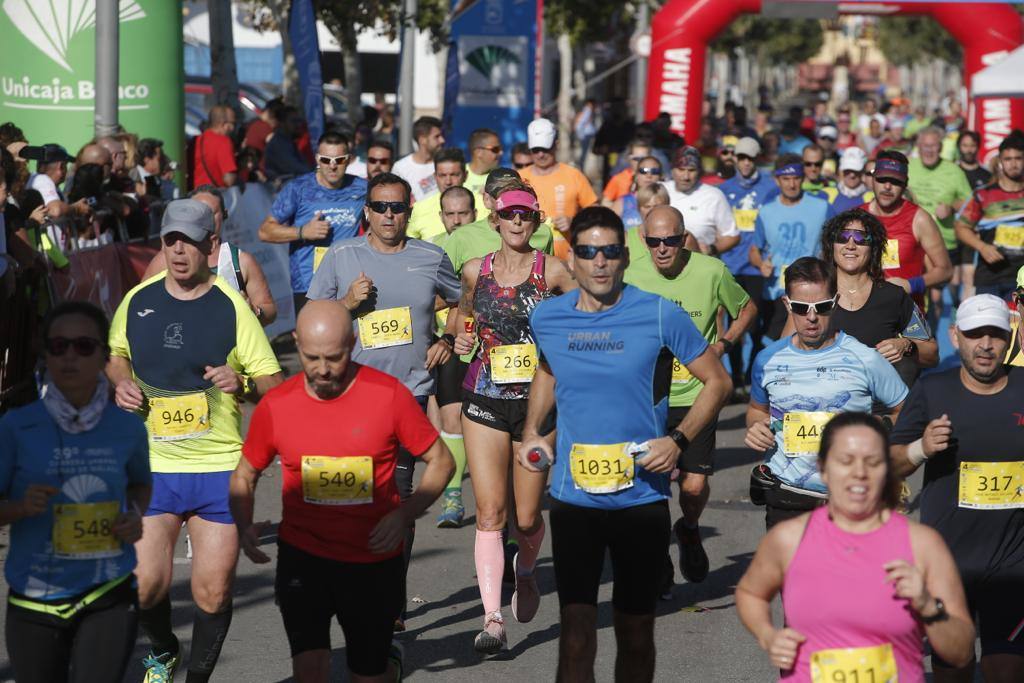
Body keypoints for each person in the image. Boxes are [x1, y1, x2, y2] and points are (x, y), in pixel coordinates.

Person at [519, 206, 732, 681]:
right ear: (571, 257)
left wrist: (677, 440)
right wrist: (533, 428)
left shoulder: (658, 313)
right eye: (589, 252)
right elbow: (548, 369)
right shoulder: (550, 318)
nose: (600, 262)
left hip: (641, 499)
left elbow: (716, 382)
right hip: (575, 499)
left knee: (635, 632)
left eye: (610, 252)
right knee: (575, 632)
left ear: (623, 256)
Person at [107, 199, 284, 682]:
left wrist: (241, 381)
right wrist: (120, 379)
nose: (179, 250)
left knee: (212, 593)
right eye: (170, 240)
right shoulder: (138, 299)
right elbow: (115, 352)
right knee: (145, 586)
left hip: (218, 467)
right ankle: (163, 651)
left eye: (189, 240)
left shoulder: (232, 306)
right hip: (154, 466)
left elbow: (273, 384)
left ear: (211, 245)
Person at [231, 300, 453, 683]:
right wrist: (244, 524)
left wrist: (405, 513)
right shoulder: (277, 405)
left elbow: (442, 461)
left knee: (366, 673)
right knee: (310, 669)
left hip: (371, 561)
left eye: (333, 358)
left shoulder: (388, 395)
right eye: (311, 357)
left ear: (352, 343)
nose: (321, 370)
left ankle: (387, 665)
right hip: (303, 557)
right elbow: (244, 475)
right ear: (296, 343)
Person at [306, 172, 461, 631]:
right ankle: (349, 584)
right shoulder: (341, 255)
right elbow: (311, 319)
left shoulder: (430, 256)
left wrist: (450, 336)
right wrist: (348, 305)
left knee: (397, 497)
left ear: (409, 212)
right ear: (366, 212)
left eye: (398, 208)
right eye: (380, 207)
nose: (389, 215)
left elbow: (462, 298)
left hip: (408, 395)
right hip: (349, 396)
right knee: (348, 497)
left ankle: (391, 598)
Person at [737, 412, 975, 681]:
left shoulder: (921, 544)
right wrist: (768, 635)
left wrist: (929, 606)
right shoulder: (789, 539)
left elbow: (961, 652)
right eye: (845, 461)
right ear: (823, 468)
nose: (859, 473)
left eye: (872, 462)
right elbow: (750, 594)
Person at [451, 183, 576, 653]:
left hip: (537, 407)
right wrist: (460, 340)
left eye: (526, 215)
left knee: (524, 519)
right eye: (510, 215)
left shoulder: (555, 272)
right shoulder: (473, 271)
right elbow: (462, 317)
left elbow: (585, 317)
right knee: (489, 512)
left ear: (537, 220)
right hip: (483, 397)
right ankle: (492, 618)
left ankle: (525, 571)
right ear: (495, 221)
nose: (518, 222)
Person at [0, 302, 152, 683]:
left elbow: (140, 484)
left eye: (84, 346)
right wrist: (19, 508)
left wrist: (134, 514)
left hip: (107, 592)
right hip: (34, 597)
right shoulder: (16, 426)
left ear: (103, 354)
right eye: (58, 346)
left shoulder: (127, 428)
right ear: (45, 355)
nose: (70, 356)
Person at [891, 294, 1024, 683]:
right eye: (974, 334)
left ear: (1010, 337)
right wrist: (921, 448)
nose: (985, 345)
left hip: (1014, 565)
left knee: (1007, 669)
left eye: (996, 335)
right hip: (948, 563)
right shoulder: (934, 391)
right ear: (955, 335)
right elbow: (891, 464)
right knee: (956, 666)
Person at [625, 205, 757, 594]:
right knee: (651, 487)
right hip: (648, 396)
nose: (662, 249)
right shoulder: (631, 276)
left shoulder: (710, 270)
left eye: (671, 240)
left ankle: (690, 528)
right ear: (643, 240)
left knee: (694, 486)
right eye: (654, 242)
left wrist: (724, 344)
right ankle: (659, 557)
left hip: (698, 392)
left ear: (684, 237)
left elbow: (746, 307)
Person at [744, 257, 907, 528]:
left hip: (851, 497)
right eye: (800, 307)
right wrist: (755, 427)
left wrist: (883, 426)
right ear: (787, 304)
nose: (811, 317)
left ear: (836, 302)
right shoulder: (767, 359)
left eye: (821, 307)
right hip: (786, 494)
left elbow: (908, 412)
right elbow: (755, 410)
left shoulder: (865, 358)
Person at [819, 209, 937, 387]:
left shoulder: (894, 296)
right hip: (825, 403)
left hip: (880, 409)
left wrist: (906, 345)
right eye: (842, 237)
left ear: (874, 248)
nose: (850, 245)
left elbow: (932, 353)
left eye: (861, 239)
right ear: (831, 245)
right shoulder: (814, 294)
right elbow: (786, 351)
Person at [258, 131, 367, 316]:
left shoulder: (362, 187)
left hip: (347, 279)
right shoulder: (298, 189)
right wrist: (302, 232)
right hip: (308, 282)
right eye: (326, 160)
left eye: (339, 160)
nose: (332, 166)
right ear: (317, 159)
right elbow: (265, 231)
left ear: (348, 160)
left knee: (347, 340)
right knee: (312, 340)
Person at [144, 185, 277, 326]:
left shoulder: (240, 261)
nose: (203, 220)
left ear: (224, 215)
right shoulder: (166, 259)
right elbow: (140, 303)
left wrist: (254, 312)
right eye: (196, 214)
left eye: (210, 213)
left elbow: (269, 309)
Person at [430, 186, 479, 528]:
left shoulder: (485, 246)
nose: (457, 220)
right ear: (442, 216)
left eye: (464, 213)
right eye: (451, 214)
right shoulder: (432, 247)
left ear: (474, 214)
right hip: (441, 340)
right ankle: (452, 498)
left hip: (480, 344)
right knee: (449, 420)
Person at [719, 137, 779, 396]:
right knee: (734, 325)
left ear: (757, 160)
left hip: (756, 267)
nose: (745, 163)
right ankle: (737, 379)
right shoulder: (723, 189)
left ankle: (751, 374)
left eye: (750, 159)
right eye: (741, 158)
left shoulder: (770, 187)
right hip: (729, 266)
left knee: (754, 326)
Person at [749, 155, 831, 340]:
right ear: (777, 180)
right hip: (776, 291)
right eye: (786, 179)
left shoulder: (822, 208)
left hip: (810, 292)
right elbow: (754, 249)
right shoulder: (766, 212)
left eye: (796, 178)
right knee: (771, 344)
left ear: (803, 178)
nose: (792, 184)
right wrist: (761, 264)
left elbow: (836, 242)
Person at [862, 150, 953, 311]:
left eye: (895, 181)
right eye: (882, 179)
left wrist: (910, 285)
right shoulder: (857, 217)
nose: (888, 186)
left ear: (905, 184)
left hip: (906, 314)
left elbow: (945, 270)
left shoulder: (920, 219)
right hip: (864, 311)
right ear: (873, 180)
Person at [444, 169, 555, 275]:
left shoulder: (544, 233)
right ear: (486, 199)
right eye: (501, 195)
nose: (508, 201)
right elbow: (441, 285)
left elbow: (549, 279)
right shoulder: (461, 237)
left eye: (515, 195)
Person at [955, 131, 1024, 301]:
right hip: (990, 278)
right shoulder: (983, 195)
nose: (1013, 164)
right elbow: (961, 227)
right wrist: (982, 247)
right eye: (1008, 159)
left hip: (1022, 279)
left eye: (1018, 158)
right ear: (1000, 162)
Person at [519, 118, 598, 259]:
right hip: (528, 262)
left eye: (545, 149)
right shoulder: (519, 178)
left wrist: (574, 222)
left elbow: (595, 213)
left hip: (567, 261)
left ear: (556, 145)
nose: (540, 154)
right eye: (536, 150)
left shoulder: (574, 175)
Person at [908, 126, 973, 268]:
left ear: (941, 147)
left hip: (944, 242)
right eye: (925, 145)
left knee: (941, 287)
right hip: (912, 241)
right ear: (918, 147)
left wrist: (951, 207)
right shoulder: (908, 167)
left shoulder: (954, 171)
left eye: (933, 146)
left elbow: (971, 204)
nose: (929, 150)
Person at [662, 145, 740, 257]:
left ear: (699, 171)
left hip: (700, 265)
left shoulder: (714, 196)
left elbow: (732, 236)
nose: (686, 176)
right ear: (672, 169)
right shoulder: (660, 190)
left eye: (691, 170)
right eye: (681, 169)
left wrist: (712, 249)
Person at [407, 148, 486, 242]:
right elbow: (410, 245)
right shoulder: (420, 208)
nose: (448, 182)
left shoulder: (485, 204)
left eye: (454, 175)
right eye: (442, 175)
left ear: (466, 175)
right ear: (435, 177)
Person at [392, 116, 445, 201]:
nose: (442, 140)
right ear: (422, 140)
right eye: (437, 136)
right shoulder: (400, 168)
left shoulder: (446, 165)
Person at [612, 154, 662, 230]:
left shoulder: (667, 201)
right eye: (643, 171)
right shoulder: (622, 202)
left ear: (660, 176)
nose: (649, 175)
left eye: (654, 171)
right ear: (636, 175)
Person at [192, 105, 238, 188]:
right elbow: (229, 180)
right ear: (224, 124)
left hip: (195, 193)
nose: (233, 128)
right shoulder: (223, 142)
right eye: (233, 123)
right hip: (214, 195)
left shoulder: (198, 139)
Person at [264, 106, 313, 182]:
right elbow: (294, 167)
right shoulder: (278, 144)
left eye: (299, 121)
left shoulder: (289, 142)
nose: (298, 125)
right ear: (282, 123)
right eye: (293, 121)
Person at [603, 140, 654, 206]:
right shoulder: (618, 179)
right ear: (629, 159)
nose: (641, 162)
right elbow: (605, 202)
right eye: (636, 158)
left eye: (644, 158)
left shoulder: (654, 177)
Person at [829, 147, 874, 214]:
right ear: (841, 171)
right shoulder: (826, 195)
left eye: (856, 171)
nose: (852, 175)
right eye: (848, 170)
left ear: (863, 171)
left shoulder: (872, 198)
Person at [465, 128, 502, 194]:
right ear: (479, 152)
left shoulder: (501, 177)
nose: (501, 152)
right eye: (495, 149)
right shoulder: (457, 174)